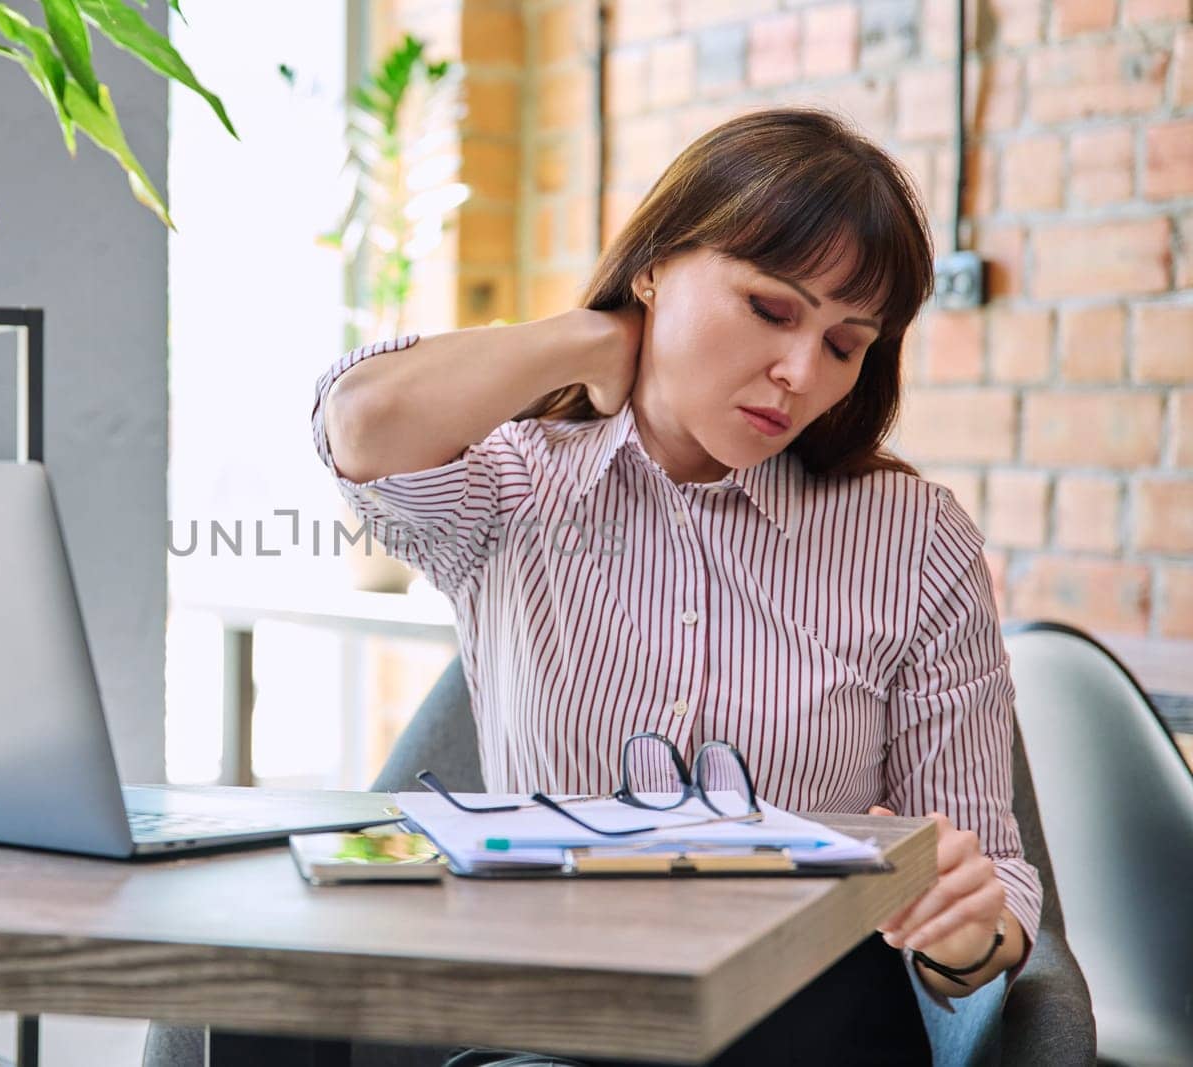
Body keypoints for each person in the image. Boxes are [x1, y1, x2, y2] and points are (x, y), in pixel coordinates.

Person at [310, 107, 1039, 1065]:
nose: (797, 373)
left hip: (808, 1024)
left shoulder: (915, 539)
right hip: (560, 1012)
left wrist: (966, 934)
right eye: (771, 310)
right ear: (653, 266)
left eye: (844, 343)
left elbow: (994, 881)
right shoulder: (515, 483)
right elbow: (360, 428)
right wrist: (586, 339)